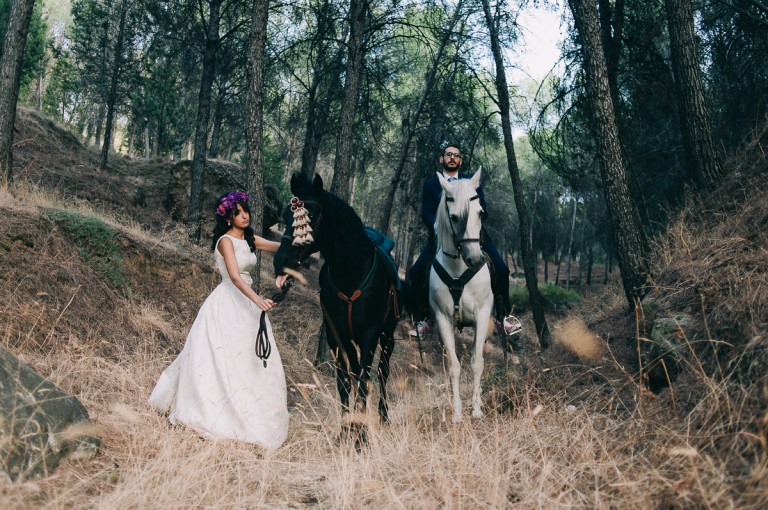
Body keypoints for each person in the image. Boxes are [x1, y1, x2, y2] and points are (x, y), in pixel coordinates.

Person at [149, 191, 290, 451]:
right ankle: (217, 412)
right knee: (225, 356)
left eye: (245, 210)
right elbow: (236, 277)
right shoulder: (226, 241)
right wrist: (258, 300)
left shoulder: (250, 239)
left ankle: (252, 412)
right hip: (229, 300)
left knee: (250, 357)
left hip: (247, 303)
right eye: (237, 212)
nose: (244, 215)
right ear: (228, 218)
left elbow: (281, 247)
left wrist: (298, 240)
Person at [408, 144, 521, 337]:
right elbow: (427, 211)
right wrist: (437, 225)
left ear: (460, 161)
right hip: (442, 238)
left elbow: (483, 208)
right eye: (449, 155)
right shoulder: (431, 184)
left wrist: (472, 223)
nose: (452, 158)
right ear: (441, 159)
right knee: (417, 271)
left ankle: (503, 318)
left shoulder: (471, 182)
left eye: (457, 155)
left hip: (475, 236)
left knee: (501, 269)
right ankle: (425, 319)